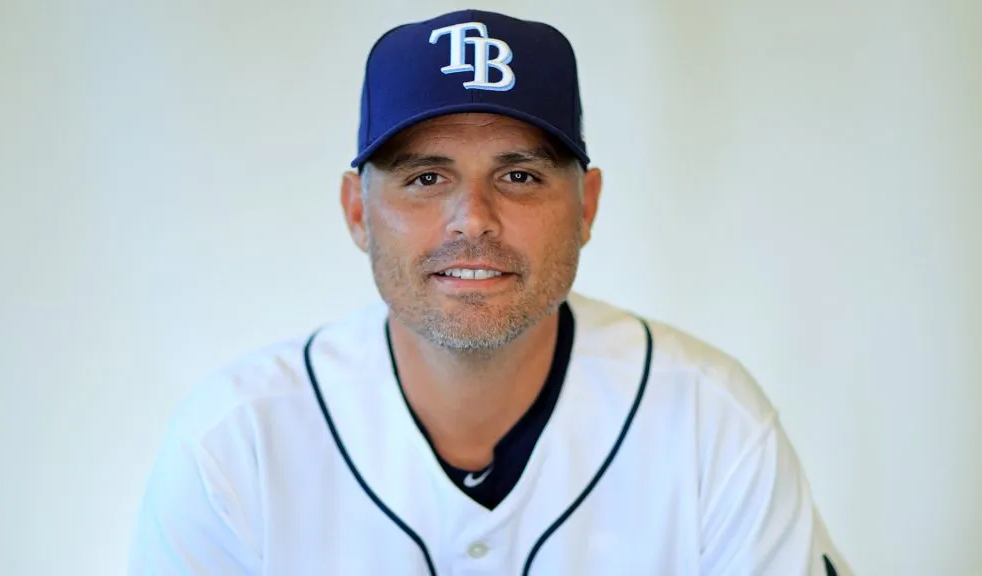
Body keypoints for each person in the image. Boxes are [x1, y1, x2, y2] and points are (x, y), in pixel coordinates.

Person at [129, 8, 852, 575]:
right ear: (357, 211)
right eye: (426, 177)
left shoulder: (709, 420)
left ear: (587, 206)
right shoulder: (235, 441)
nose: (472, 219)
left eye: (519, 176)